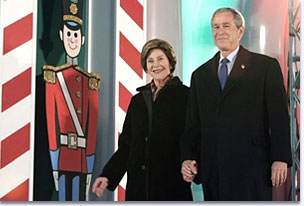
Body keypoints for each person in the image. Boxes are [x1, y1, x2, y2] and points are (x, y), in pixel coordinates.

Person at [180, 7, 292, 201]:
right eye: (215, 27)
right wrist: (188, 157)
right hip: (214, 170)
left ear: (240, 31)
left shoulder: (265, 67)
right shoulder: (200, 74)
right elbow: (192, 125)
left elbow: (279, 117)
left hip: (252, 168)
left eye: (226, 26)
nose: (220, 31)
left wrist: (280, 158)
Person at [92, 39, 192, 201]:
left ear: (170, 62)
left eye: (161, 59)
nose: (156, 65)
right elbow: (127, 145)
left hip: (171, 185)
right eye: (150, 61)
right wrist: (108, 175)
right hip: (139, 188)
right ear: (146, 66)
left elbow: (192, 136)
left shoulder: (186, 96)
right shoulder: (138, 101)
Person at [43, 0, 100, 201]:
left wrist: (90, 162)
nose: (72, 40)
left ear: (82, 39)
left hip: (81, 156)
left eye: (75, 35)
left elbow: (91, 126)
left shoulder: (90, 82)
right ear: (61, 36)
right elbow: (52, 123)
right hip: (64, 155)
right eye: (69, 35)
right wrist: (54, 157)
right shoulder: (53, 79)